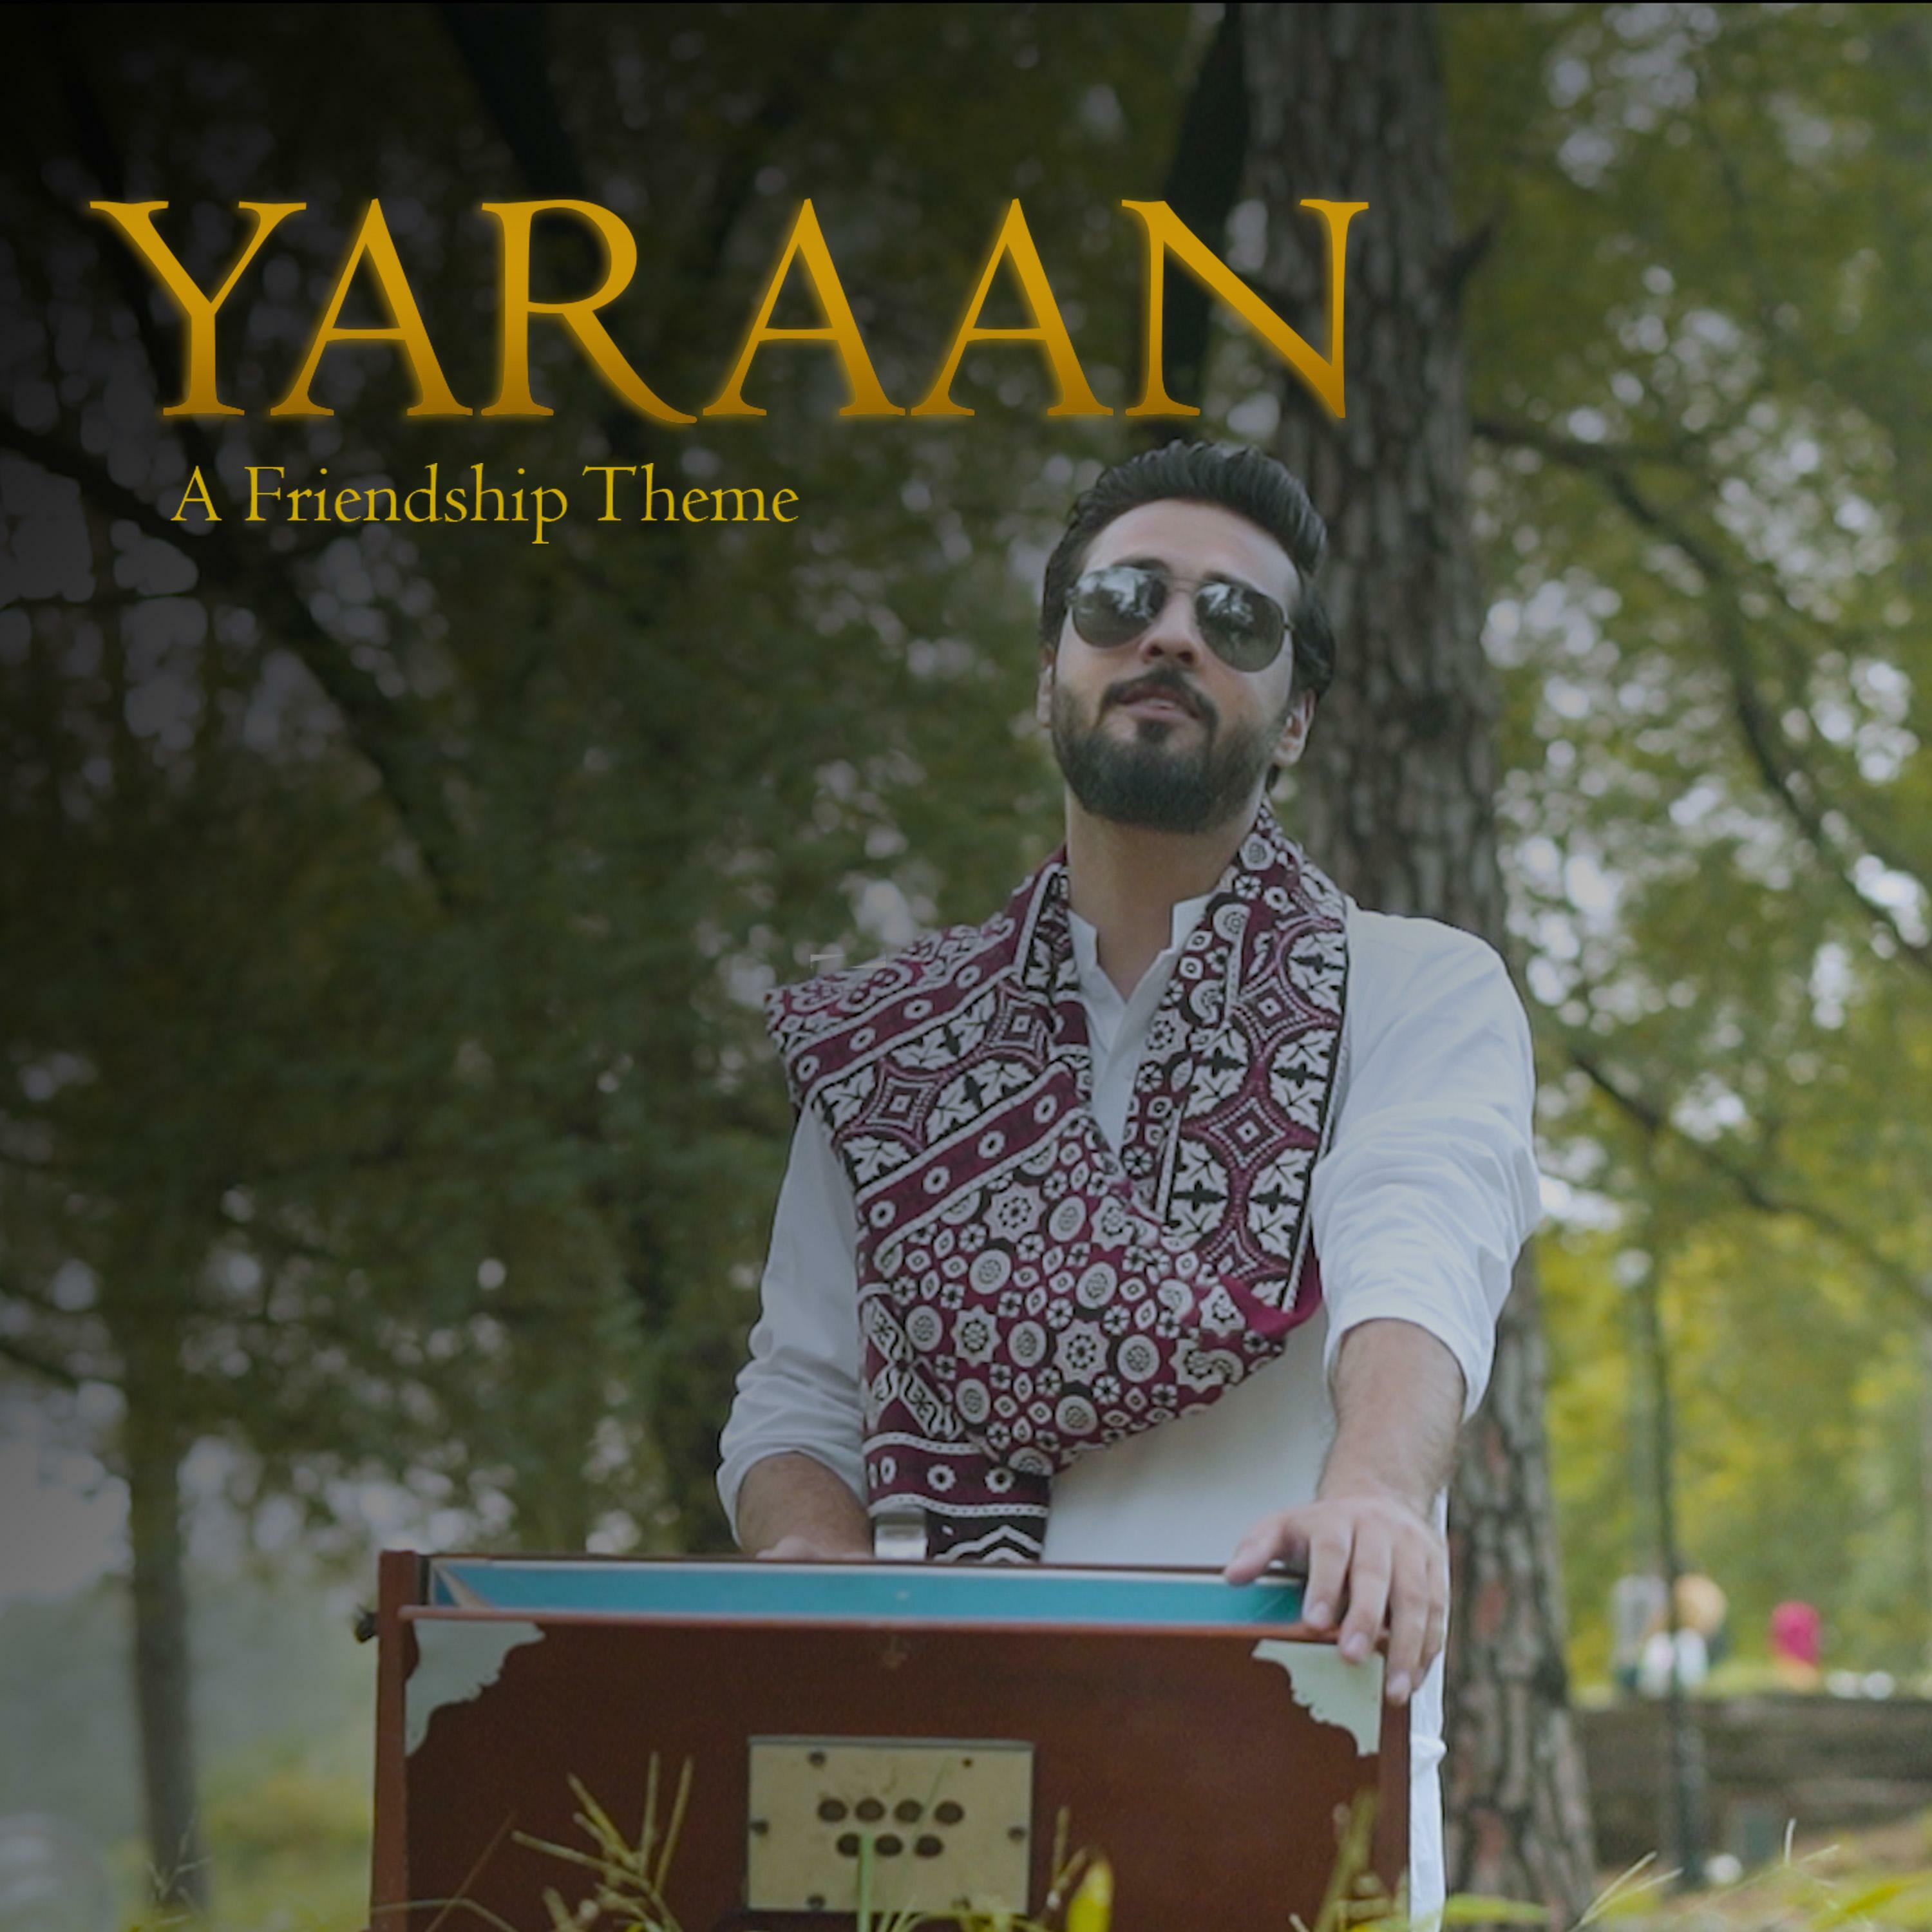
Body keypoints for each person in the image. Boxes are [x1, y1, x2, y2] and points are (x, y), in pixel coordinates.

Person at [717, 442, 1539, 1920]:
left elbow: (1418, 1239)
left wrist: (1376, 1491)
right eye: (1123, 600)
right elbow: (798, 1400)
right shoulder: (892, 1056)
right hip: (916, 1780)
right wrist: (827, 1599)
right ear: (1051, 673)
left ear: (1294, 721)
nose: (1171, 636)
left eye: (1237, 620)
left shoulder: (1415, 988)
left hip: (1267, 1746)